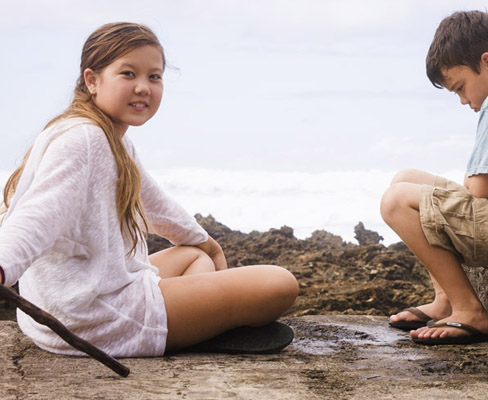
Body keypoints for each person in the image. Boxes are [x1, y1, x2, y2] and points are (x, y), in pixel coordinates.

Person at [0, 22, 299, 357]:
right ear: (92, 80)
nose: (143, 87)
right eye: (128, 74)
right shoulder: (84, 139)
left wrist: (208, 245)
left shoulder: (109, 137)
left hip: (85, 300)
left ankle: (194, 325)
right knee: (280, 284)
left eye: (154, 77)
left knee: (193, 255)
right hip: (92, 317)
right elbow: (38, 215)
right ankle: (191, 329)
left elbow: (155, 205)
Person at [380, 10, 488, 344]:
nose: (463, 101)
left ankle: (468, 308)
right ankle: (444, 298)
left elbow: (480, 189)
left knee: (395, 202)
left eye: (460, 88)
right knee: (407, 177)